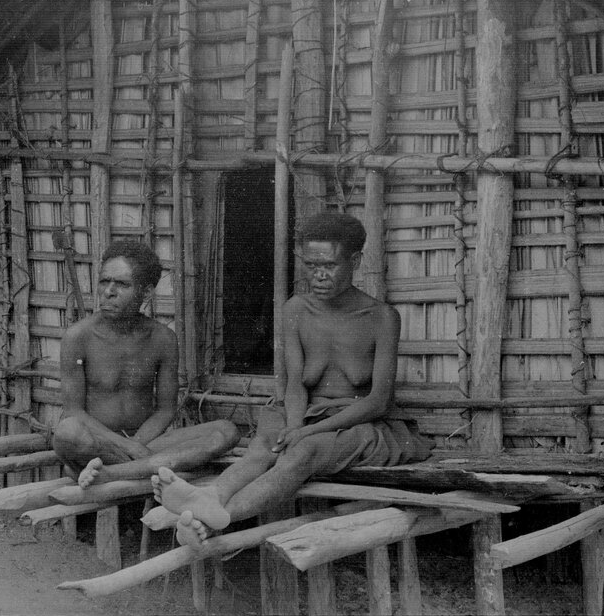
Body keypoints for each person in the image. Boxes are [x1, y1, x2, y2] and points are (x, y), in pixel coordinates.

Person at [151, 212, 433, 548]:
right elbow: (296, 383)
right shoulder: (296, 309)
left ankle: (215, 521)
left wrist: (306, 433)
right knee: (265, 445)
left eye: (329, 265)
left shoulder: (381, 318)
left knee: (304, 451)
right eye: (311, 266)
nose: (319, 275)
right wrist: (294, 426)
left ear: (355, 261)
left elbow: (378, 402)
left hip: (360, 425)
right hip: (303, 414)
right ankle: (212, 496)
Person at [52, 240, 240, 490]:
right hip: (97, 444)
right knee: (67, 432)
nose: (108, 292)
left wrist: (138, 444)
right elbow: (74, 411)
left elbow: (165, 410)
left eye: (122, 284)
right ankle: (144, 468)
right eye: (104, 281)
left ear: (147, 292)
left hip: (148, 443)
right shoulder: (78, 337)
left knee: (226, 430)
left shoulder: (163, 338)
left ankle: (112, 473)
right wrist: (128, 447)